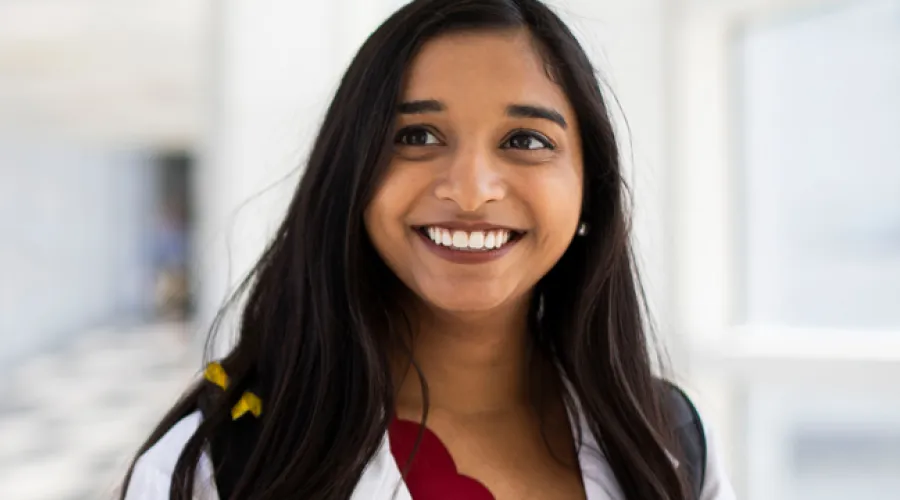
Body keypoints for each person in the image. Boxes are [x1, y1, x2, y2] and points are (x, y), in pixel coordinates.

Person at [121, 0, 736, 499]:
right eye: (416, 135)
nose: (470, 191)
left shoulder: (670, 442)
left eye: (525, 139)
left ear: (590, 190)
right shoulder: (214, 469)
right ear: (350, 178)